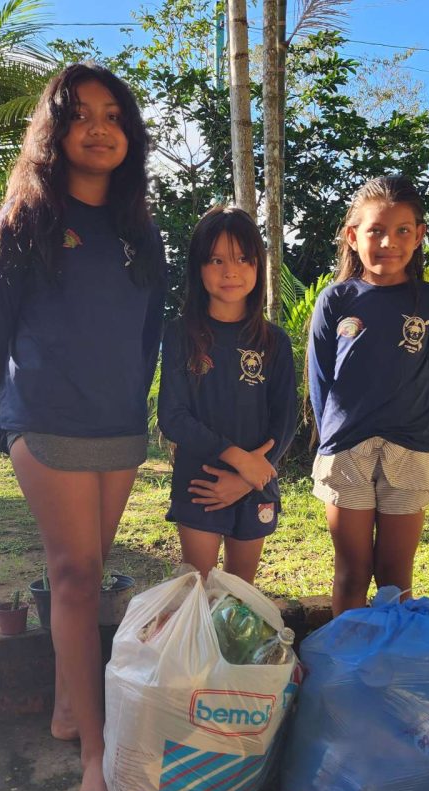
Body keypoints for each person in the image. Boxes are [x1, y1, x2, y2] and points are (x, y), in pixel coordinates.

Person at [0, 63, 165, 791]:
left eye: (113, 114)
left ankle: (62, 709)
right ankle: (95, 758)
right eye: (80, 114)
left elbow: (150, 332)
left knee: (83, 572)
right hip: (45, 421)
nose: (99, 127)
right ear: (54, 131)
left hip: (118, 426)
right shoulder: (18, 225)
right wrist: (1, 425)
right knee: (79, 576)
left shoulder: (140, 233)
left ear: (130, 133)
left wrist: (137, 408)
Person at [307, 176, 429, 617]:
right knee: (352, 571)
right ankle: (344, 674)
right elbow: (319, 381)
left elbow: (428, 375)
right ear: (353, 236)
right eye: (375, 231)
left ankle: (389, 671)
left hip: (410, 449)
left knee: (395, 577)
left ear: (419, 235)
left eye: (403, 230)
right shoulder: (336, 299)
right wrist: (334, 438)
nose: (389, 242)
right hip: (347, 452)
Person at [158, 206, 296, 583]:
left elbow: (284, 420)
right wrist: (238, 460)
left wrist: (251, 478)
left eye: (242, 259)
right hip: (200, 483)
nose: (230, 271)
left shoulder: (274, 342)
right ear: (198, 268)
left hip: (256, 484)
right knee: (196, 589)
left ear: (258, 266)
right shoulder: (179, 334)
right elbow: (172, 416)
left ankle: (232, 647)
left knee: (239, 593)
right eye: (216, 259)